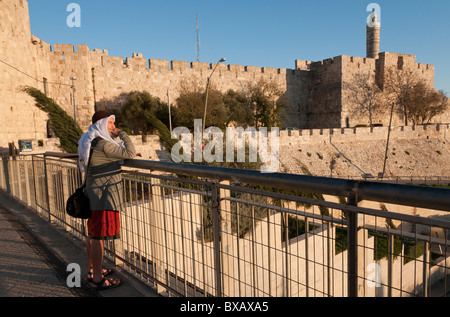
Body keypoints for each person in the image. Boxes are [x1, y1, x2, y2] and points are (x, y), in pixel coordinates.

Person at [78, 110, 136, 290]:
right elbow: (130, 153)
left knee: (93, 233)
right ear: (102, 124)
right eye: (110, 124)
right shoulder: (103, 144)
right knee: (98, 236)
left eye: (113, 124)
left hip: (94, 192)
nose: (113, 127)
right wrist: (123, 134)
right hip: (103, 196)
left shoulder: (88, 139)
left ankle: (93, 270)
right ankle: (97, 279)